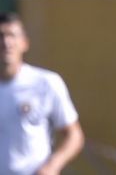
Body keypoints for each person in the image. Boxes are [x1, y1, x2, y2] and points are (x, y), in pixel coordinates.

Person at [0, 12, 84, 175]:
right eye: (1, 36)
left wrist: (52, 166)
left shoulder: (45, 83)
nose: (6, 42)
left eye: (12, 35)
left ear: (24, 43)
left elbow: (74, 135)